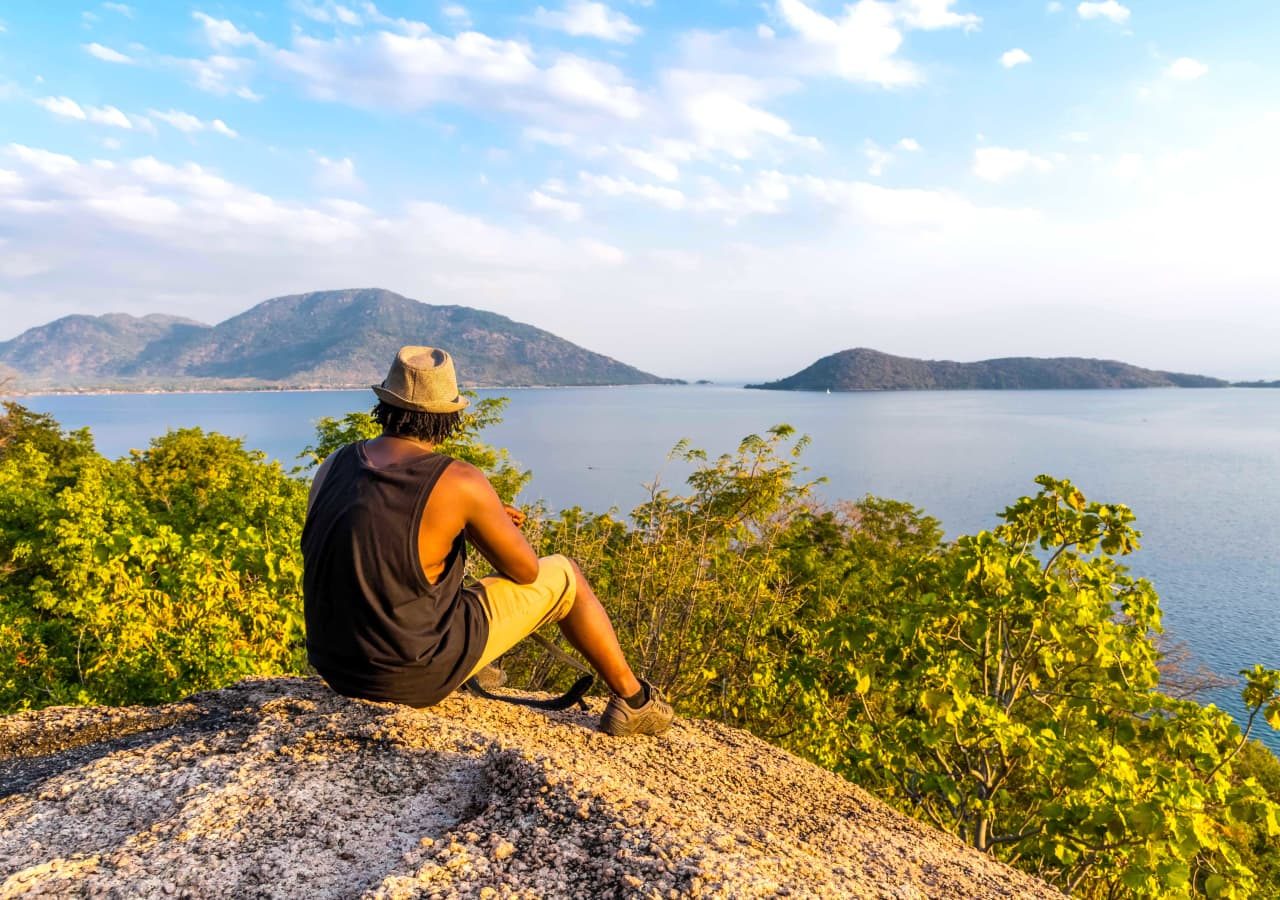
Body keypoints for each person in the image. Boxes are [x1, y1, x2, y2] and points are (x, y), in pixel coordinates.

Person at [301, 345, 673, 737]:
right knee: (565, 575)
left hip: (335, 667)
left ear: (385, 406)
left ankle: (473, 664)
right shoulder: (458, 480)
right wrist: (483, 514)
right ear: (449, 417)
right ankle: (634, 701)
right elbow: (526, 571)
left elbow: (369, 541)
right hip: (408, 678)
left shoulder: (335, 463)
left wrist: (472, 517)